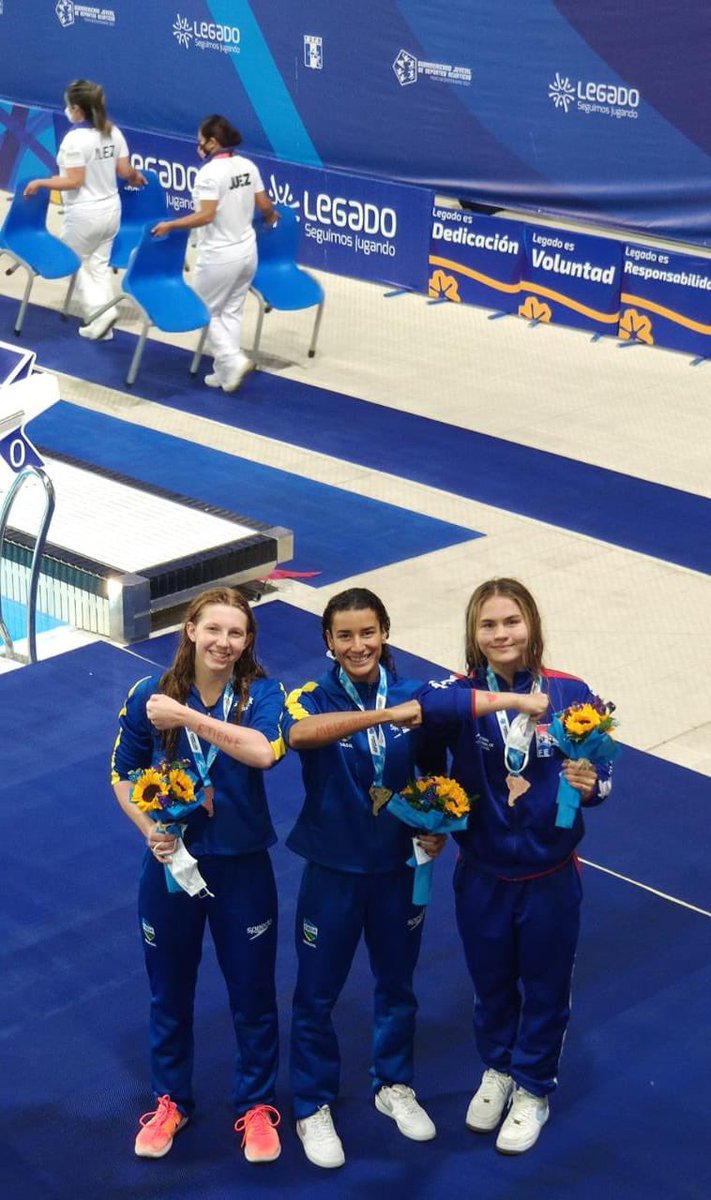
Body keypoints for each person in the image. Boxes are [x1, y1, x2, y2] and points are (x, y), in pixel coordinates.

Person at [280, 587, 541, 1169]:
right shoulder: (306, 698)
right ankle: (312, 1104)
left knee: (397, 986)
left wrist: (438, 826)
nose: (357, 645)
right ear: (328, 641)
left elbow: (434, 775)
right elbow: (299, 737)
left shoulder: (418, 697)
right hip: (333, 871)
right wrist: (384, 716)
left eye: (367, 632)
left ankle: (393, 1084)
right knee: (316, 995)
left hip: (399, 871)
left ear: (385, 632)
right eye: (344, 635)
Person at [418, 578, 612, 1156]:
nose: (502, 634)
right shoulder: (460, 698)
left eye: (512, 621)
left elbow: (602, 776)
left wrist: (593, 785)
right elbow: (427, 756)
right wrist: (430, 816)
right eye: (489, 625)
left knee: (546, 986)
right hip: (481, 872)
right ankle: (497, 1070)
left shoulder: (571, 692)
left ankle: (532, 1087)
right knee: (491, 984)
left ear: (532, 625)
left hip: (551, 875)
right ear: (474, 636)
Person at [110, 586, 286, 1165]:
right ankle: (170, 1101)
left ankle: (257, 1107)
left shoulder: (261, 692)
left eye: (237, 633)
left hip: (242, 868)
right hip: (169, 869)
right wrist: (149, 830)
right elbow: (122, 773)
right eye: (214, 629)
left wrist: (185, 716)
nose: (224, 642)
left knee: (253, 994)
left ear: (247, 642)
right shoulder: (145, 695)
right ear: (191, 629)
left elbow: (262, 752)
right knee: (169, 993)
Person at [151, 114, 277, 394]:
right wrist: (271, 218)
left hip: (219, 255)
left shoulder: (209, 174)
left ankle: (233, 360)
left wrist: (172, 224)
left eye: (200, 142)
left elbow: (206, 216)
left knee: (202, 311)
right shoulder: (248, 165)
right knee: (230, 312)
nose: (198, 147)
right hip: (247, 252)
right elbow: (266, 207)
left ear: (213, 142)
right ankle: (225, 374)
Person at [23, 79, 145, 340]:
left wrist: (40, 182)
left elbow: (74, 181)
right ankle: (103, 326)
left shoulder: (75, 140)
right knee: (97, 266)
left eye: (69, 106)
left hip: (85, 213)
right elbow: (125, 172)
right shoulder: (113, 132)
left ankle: (100, 311)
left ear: (78, 109)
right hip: (111, 210)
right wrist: (136, 177)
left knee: (72, 261)